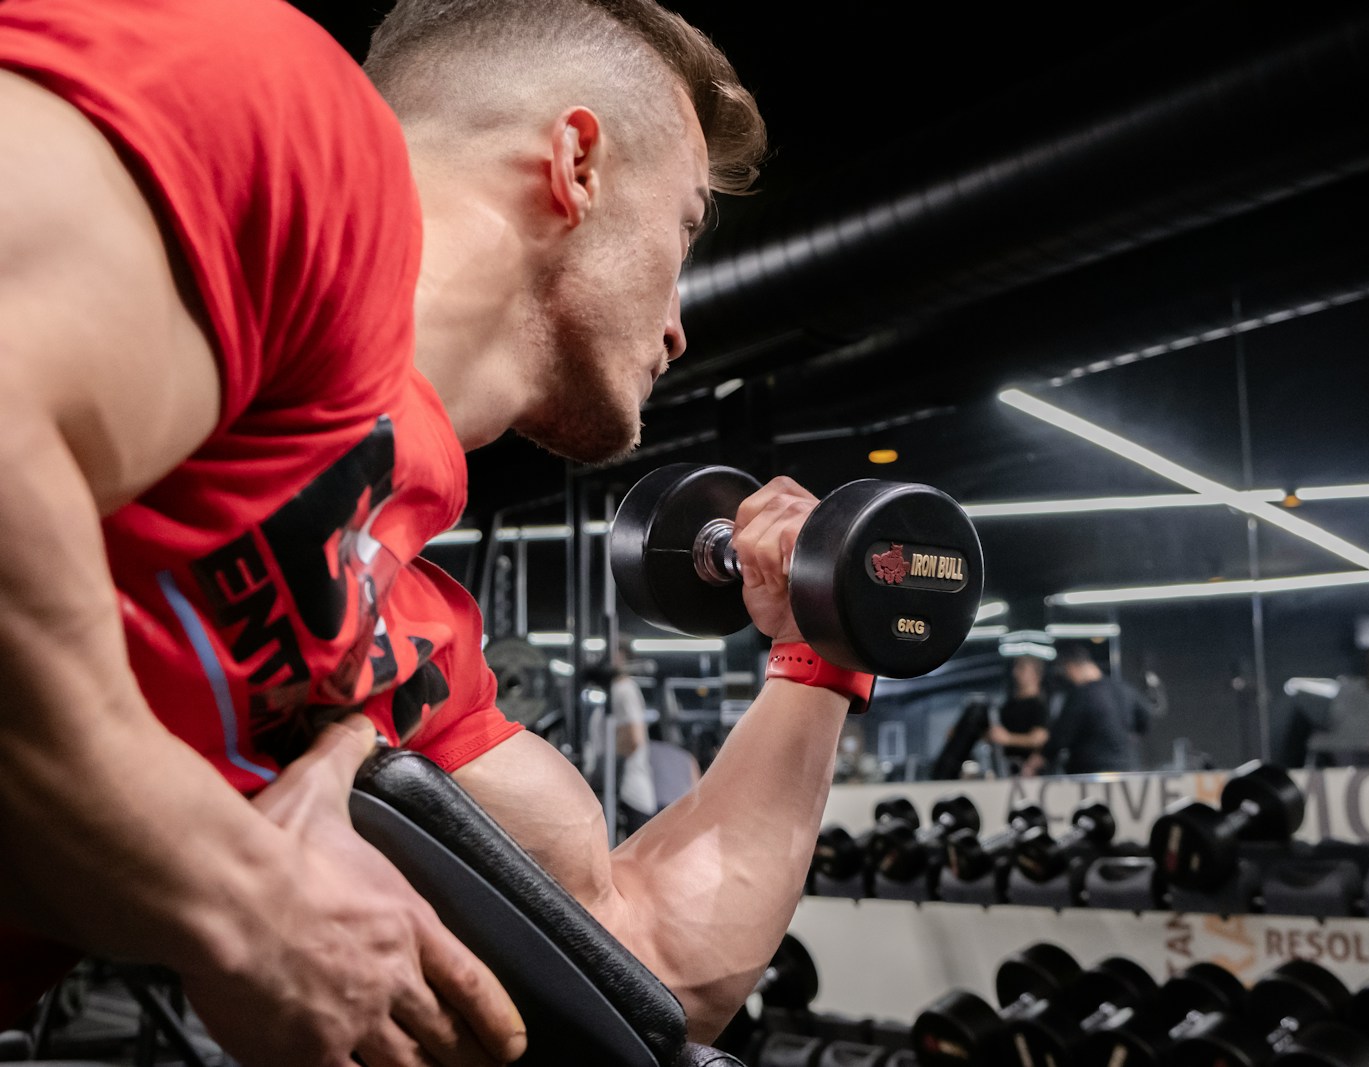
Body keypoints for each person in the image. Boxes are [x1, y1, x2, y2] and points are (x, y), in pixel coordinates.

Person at [0, 0, 866, 1061]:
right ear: (576, 163)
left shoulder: (391, 631)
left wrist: (820, 649)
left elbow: (634, 961)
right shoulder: (274, 117)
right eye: (682, 227)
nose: (680, 322)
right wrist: (232, 892)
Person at [1024, 643, 1150, 776]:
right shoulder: (1124, 689)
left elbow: (1061, 735)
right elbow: (1145, 720)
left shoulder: (1081, 695)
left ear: (1071, 666)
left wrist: (1040, 759)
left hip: (1089, 772)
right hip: (1124, 768)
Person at [583, 650, 657, 836]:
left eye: (612, 653)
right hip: (616, 793)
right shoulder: (613, 692)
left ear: (622, 658)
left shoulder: (624, 689)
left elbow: (633, 739)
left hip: (628, 794)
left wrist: (604, 774)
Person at [987, 654, 1051, 773]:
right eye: (1016, 668)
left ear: (1035, 674)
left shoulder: (1039, 705)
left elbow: (1039, 738)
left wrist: (1008, 739)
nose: (1015, 673)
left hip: (1027, 771)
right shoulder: (1009, 705)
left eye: (1022, 668)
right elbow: (996, 733)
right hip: (1005, 768)